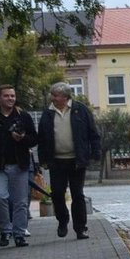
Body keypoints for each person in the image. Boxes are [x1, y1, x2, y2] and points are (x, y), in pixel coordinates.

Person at [36, 82, 100, 240]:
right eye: (52, 95)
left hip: (77, 160)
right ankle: (62, 220)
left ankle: (80, 228)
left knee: (77, 194)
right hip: (56, 161)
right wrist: (43, 159)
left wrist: (95, 152)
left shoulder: (80, 110)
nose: (52, 97)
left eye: (55, 95)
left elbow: (93, 132)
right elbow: (42, 137)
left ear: (65, 97)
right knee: (57, 193)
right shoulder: (48, 113)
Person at [0, 86, 37, 247]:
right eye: (6, 96)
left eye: (13, 96)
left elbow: (35, 138)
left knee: (20, 201)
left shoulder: (23, 117)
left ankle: (19, 233)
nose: (10, 99)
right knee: (0, 197)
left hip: (19, 164)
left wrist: (22, 138)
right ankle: (5, 231)